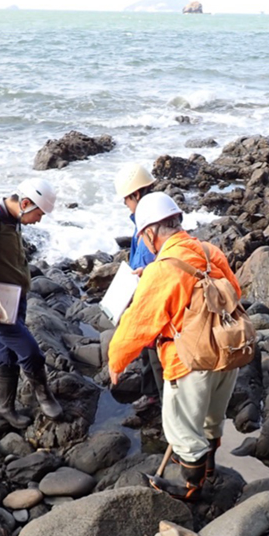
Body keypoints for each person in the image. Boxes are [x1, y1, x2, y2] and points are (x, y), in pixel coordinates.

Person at [107, 192, 241, 501]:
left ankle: (191, 489)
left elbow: (138, 324)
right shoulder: (208, 251)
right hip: (226, 352)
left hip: (190, 361)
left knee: (181, 429)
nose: (145, 242)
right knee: (211, 420)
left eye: (143, 236)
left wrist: (116, 362)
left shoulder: (162, 269)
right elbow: (234, 291)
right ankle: (209, 472)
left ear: (151, 232)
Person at [0, 178, 63, 427]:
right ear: (25, 203)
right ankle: (44, 397)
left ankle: (3, 407)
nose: (39, 220)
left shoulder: (12, 220)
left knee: (7, 351)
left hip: (13, 299)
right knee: (31, 353)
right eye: (39, 214)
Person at [113, 162, 164, 412]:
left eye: (126, 199)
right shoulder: (142, 219)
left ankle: (167, 405)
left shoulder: (150, 222)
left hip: (153, 295)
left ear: (136, 194)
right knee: (147, 349)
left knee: (156, 351)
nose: (125, 204)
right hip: (143, 286)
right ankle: (152, 394)